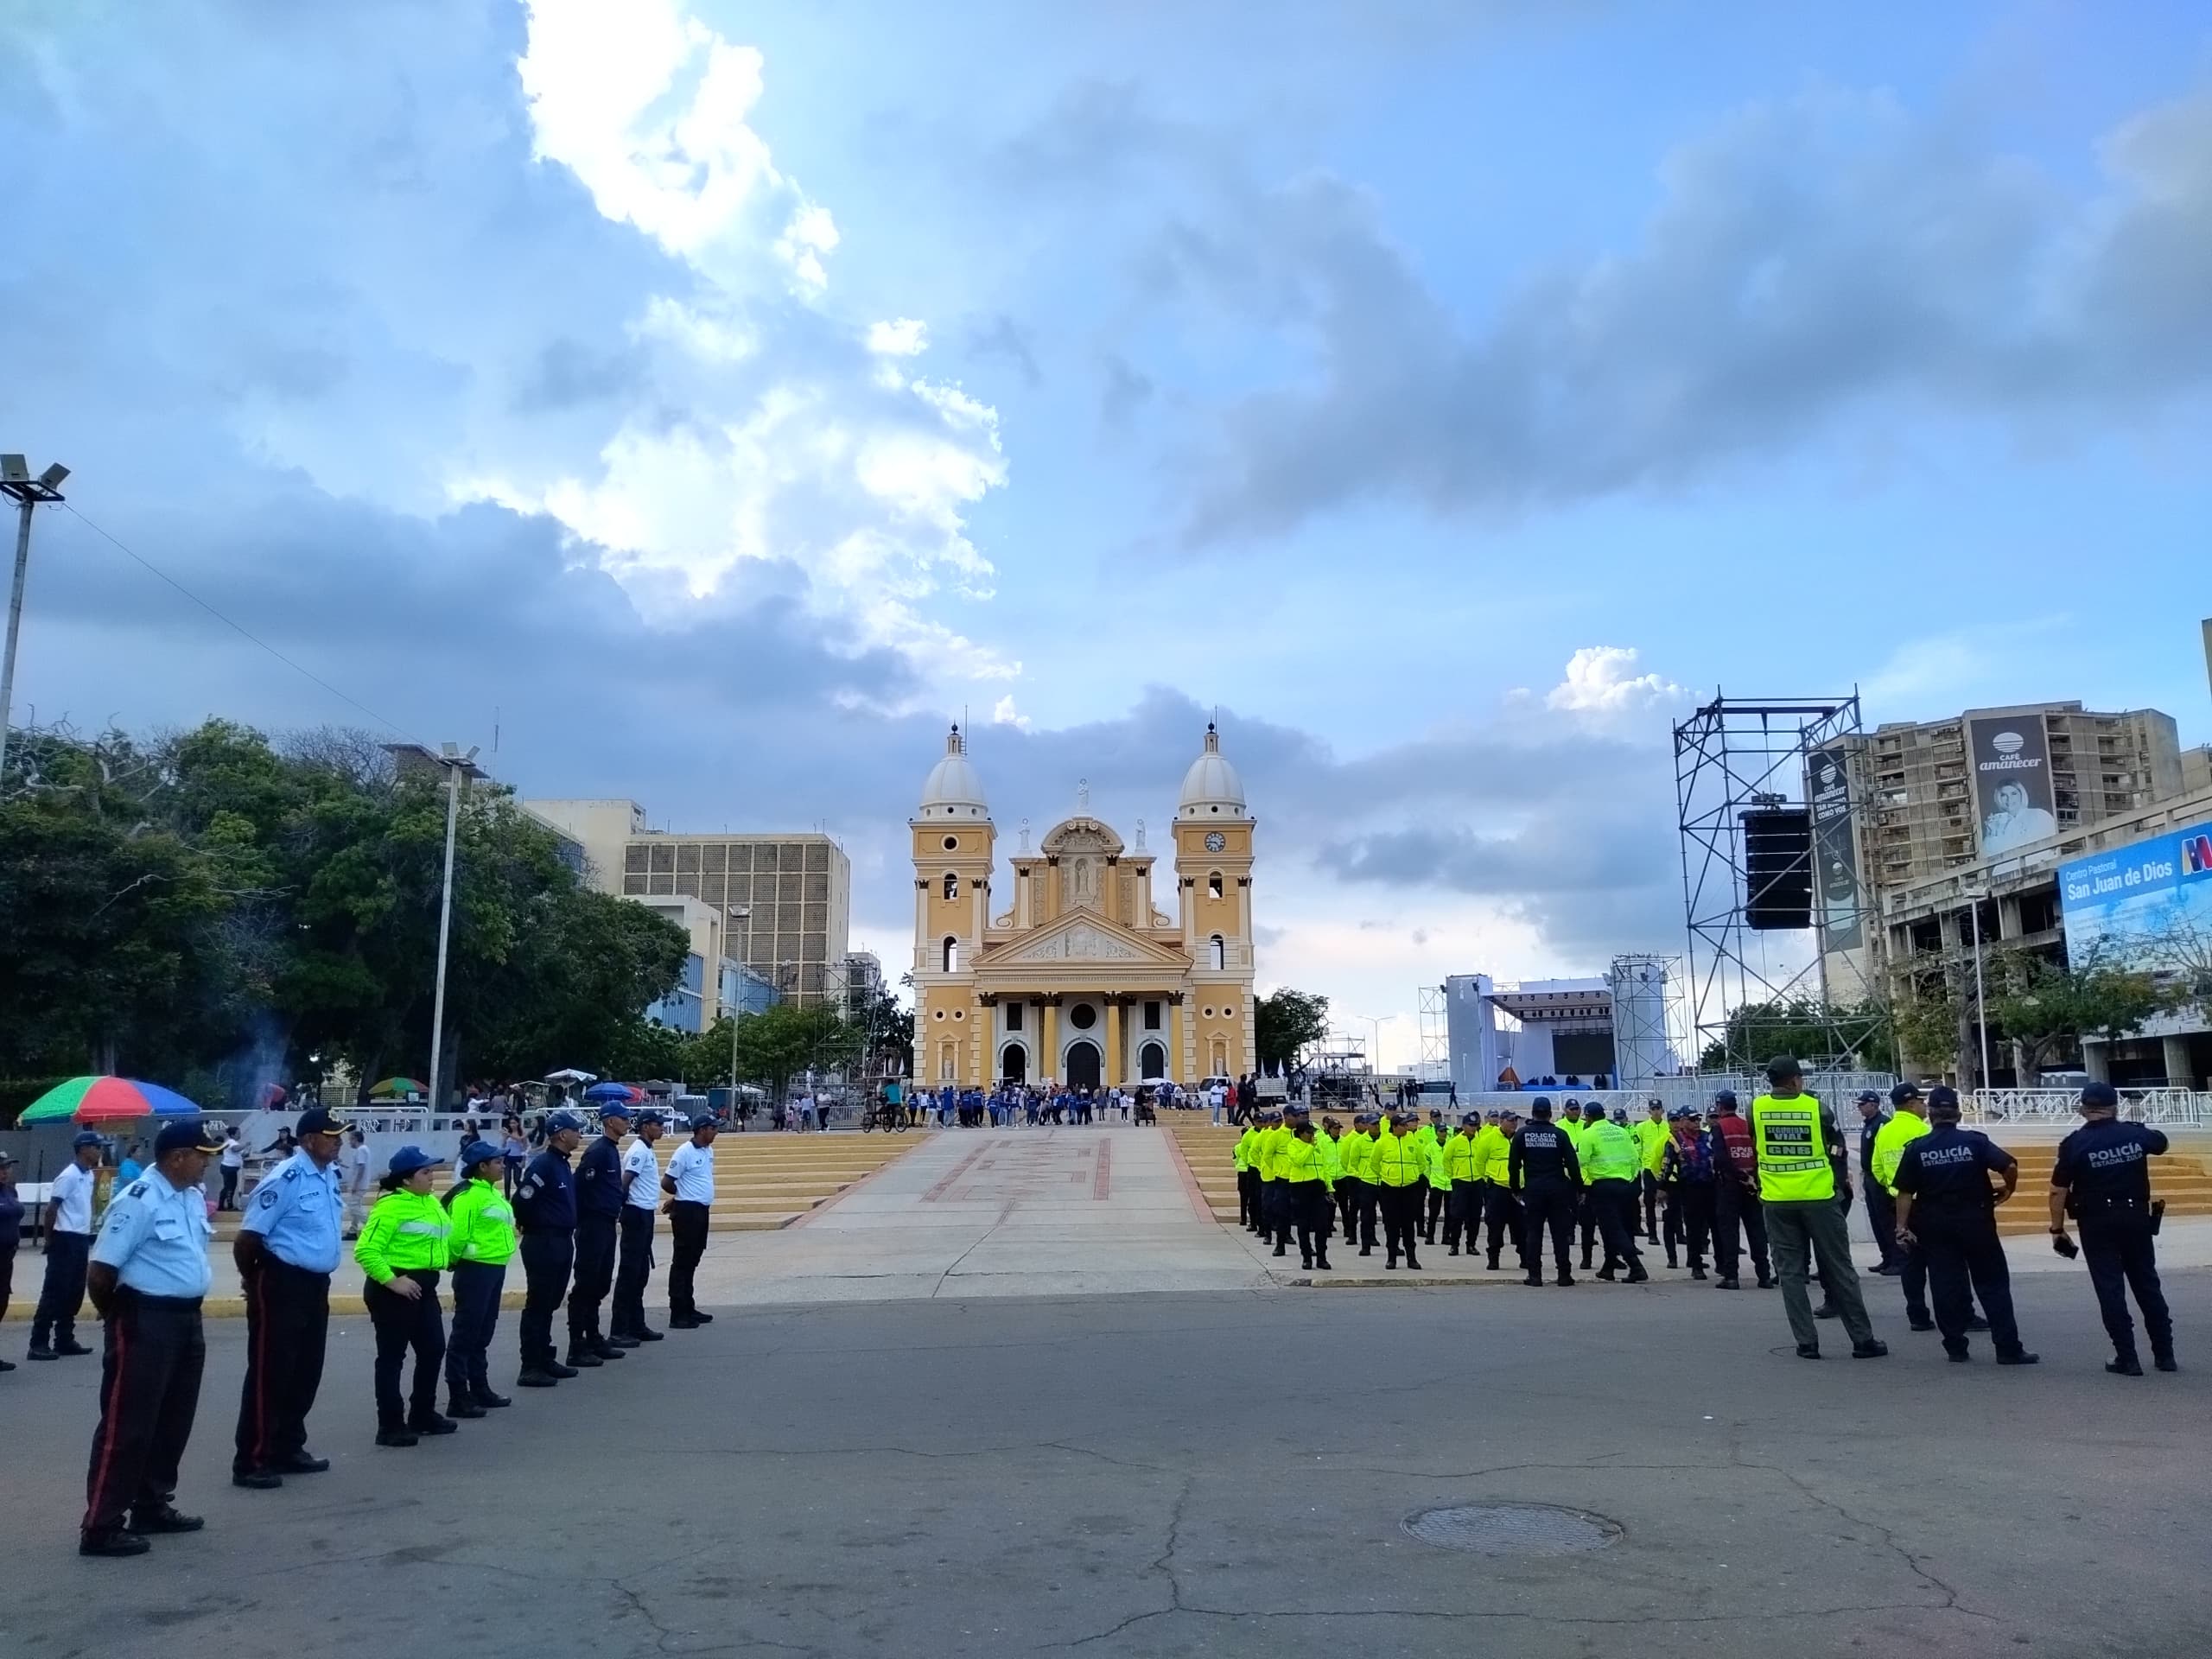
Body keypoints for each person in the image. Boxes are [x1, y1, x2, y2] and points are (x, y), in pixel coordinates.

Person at [77, 1118, 226, 1557]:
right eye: (202, 1157)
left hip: (185, 1319)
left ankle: (152, 1504)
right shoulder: (138, 1200)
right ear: (177, 1158)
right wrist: (118, 1320)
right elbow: (101, 1272)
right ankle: (101, 1525)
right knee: (128, 1426)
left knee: (172, 1421)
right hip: (146, 1319)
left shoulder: (190, 1198)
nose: (207, 1165)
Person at [231, 1106, 347, 1491]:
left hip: (315, 1284)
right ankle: (252, 1458)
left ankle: (287, 1445)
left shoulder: (329, 1175)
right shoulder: (287, 1177)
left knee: (305, 1370)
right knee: (271, 1372)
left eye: (339, 1135)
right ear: (309, 1140)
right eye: (331, 1136)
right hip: (282, 1282)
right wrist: (255, 1283)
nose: (338, 1141)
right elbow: (248, 1239)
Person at [1751, 1058, 1885, 1361]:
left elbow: (1756, 1143)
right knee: (1839, 1268)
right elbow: (1837, 1147)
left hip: (1777, 1200)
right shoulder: (1816, 1108)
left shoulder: (1756, 1109)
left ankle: (1806, 1343)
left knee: (1790, 1274)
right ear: (1795, 1081)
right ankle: (1862, 1341)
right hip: (1820, 1199)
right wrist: (1840, 1182)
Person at [1892, 1090, 2037, 1365]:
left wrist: (1901, 1227)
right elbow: (2009, 1165)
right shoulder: (1975, 1142)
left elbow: (1905, 1192)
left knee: (1945, 1285)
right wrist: (2008, 1189)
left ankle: (1956, 1347)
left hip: (1936, 1226)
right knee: (1993, 1284)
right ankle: (2007, 1348)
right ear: (1958, 1114)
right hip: (1977, 1221)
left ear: (1931, 1115)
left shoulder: (1917, 1148)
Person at [2050, 1082, 2176, 1376]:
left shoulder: (2074, 1144)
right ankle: (2165, 1355)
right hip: (2135, 1218)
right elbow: (2162, 1143)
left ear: (2082, 1109)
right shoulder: (2134, 1134)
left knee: (2110, 1289)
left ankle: (2127, 1358)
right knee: (2147, 1284)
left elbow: (2058, 1190)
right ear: (2115, 1107)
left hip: (2096, 1222)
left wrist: (2057, 1229)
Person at [354, 1147, 455, 1446]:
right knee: (392, 1358)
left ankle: (422, 1414)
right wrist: (391, 1281)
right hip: (394, 1289)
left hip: (424, 1286)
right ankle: (390, 1424)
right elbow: (366, 1250)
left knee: (433, 1349)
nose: (432, 1176)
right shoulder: (391, 1207)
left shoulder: (429, 1203)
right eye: (425, 1172)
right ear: (406, 1180)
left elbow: (434, 1240)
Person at [442, 1139, 517, 1418]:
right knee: (466, 1332)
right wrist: (453, 1262)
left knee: (483, 1332)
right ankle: (458, 1396)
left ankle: (480, 1387)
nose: (502, 1166)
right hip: (475, 1270)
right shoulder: (469, 1197)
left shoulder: (492, 1193)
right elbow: (457, 1236)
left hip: (494, 1268)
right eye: (497, 1162)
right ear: (481, 1167)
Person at [512, 1109, 585, 1389]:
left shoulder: (562, 1163)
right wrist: (535, 1225)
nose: (579, 1134)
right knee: (539, 1303)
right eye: (575, 1130)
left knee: (551, 1302)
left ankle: (545, 1356)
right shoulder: (543, 1165)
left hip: (562, 1240)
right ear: (561, 1134)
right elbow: (523, 1201)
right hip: (543, 1241)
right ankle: (530, 1365)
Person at [29, 1130, 105, 1361]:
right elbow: (52, 1210)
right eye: (96, 1147)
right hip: (65, 1239)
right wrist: (49, 1240)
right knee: (54, 1292)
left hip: (80, 1238)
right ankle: (38, 1342)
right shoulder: (69, 1176)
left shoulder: (89, 1175)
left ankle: (64, 1338)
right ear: (84, 1149)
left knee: (74, 1291)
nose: (100, 1151)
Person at [1871, 1084, 1940, 1332]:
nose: (1924, 1107)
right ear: (1912, 1104)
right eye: (1922, 1102)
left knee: (1911, 1263)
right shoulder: (1923, 1130)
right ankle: (1959, 1312)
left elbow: (1876, 1169)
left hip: (1896, 1205)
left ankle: (1917, 1315)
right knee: (1942, 1260)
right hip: (1925, 1204)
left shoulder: (1884, 1131)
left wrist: (1892, 1187)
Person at [568, 1103, 630, 1370]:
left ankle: (593, 1336)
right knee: (586, 1282)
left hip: (606, 1222)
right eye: (624, 1118)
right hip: (592, 1223)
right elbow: (580, 1186)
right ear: (610, 1121)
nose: (628, 1122)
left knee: (601, 1282)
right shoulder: (598, 1152)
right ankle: (577, 1344)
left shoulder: (611, 1150)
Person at [1509, 1098, 1581, 1287]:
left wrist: (1516, 1189)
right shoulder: (1560, 1134)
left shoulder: (1522, 1135)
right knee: (1560, 1233)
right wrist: (1579, 1189)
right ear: (1550, 1114)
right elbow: (1573, 1165)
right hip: (1558, 1189)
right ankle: (1564, 1275)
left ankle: (1535, 1276)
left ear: (1532, 1114)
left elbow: (1514, 1166)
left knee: (1533, 1233)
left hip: (1533, 1189)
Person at [1707, 1090, 1773, 1291]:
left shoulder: (1720, 1128)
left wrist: (1739, 1176)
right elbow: (1758, 1150)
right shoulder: (1747, 1125)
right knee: (1756, 1230)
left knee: (1729, 1232)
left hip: (1729, 1186)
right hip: (1752, 1184)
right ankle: (1764, 1276)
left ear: (1720, 1107)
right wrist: (1750, 1176)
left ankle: (1731, 1277)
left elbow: (1720, 1159)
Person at [1577, 1104, 1648, 1282]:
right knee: (1616, 1227)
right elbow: (1634, 1158)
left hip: (1602, 1187)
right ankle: (1608, 1268)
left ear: (1588, 1117)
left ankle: (1636, 1265)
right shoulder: (1621, 1131)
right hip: (1625, 1185)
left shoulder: (1588, 1134)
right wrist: (1630, 1179)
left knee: (1613, 1229)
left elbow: (1582, 1160)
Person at [613, 1108, 666, 1344]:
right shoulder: (638, 1151)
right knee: (630, 1272)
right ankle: (620, 1329)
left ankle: (636, 1323)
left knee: (641, 1272)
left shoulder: (647, 1149)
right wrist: (620, 1210)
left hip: (645, 1213)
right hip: (635, 1213)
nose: (662, 1128)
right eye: (658, 1124)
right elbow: (625, 1183)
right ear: (645, 1126)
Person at [664, 1113, 718, 1329]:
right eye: (713, 1128)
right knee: (682, 1261)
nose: (716, 1132)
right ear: (702, 1129)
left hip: (701, 1210)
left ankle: (688, 1305)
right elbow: (667, 1181)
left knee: (693, 1259)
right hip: (687, 1211)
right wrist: (680, 1196)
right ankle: (677, 1312)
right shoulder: (684, 1152)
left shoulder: (708, 1150)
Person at [1659, 1108, 1714, 1279]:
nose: (1696, 1123)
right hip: (1687, 1188)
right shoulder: (1675, 1140)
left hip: (1710, 1187)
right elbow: (1666, 1164)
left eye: (1698, 1119)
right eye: (1692, 1120)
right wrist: (1661, 1187)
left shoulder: (1707, 1137)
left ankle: (1723, 1263)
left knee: (1715, 1226)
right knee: (1692, 1228)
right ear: (1683, 1121)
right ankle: (1695, 1264)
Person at [1856, 1090, 1906, 1275]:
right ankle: (1887, 1258)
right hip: (1870, 1177)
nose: (1859, 1108)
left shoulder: (1883, 1123)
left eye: (1862, 1104)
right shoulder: (1869, 1124)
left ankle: (1897, 1260)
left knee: (1887, 1221)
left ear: (1874, 1105)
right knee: (1876, 1220)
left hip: (1880, 1180)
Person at [1369, 1111, 1425, 1270]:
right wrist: (1387, 1175)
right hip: (1390, 1188)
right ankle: (1391, 1257)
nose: (1406, 1127)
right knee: (1391, 1225)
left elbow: (1421, 1164)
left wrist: (1412, 1176)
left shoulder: (1413, 1142)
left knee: (1408, 1224)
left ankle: (1411, 1258)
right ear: (1394, 1127)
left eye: (1407, 1124)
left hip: (1410, 1187)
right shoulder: (1382, 1142)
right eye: (1403, 1125)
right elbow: (1374, 1163)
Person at [1279, 1119, 1334, 1271]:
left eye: (1313, 1133)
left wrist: (1329, 1188)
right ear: (1301, 1133)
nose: (1312, 1136)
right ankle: (1307, 1258)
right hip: (1301, 1186)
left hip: (1317, 1187)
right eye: (1309, 1133)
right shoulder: (1293, 1145)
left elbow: (1324, 1168)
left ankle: (1322, 1258)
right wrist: (1310, 1147)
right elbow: (1298, 1162)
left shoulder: (1317, 1147)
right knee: (1303, 1225)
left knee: (1321, 1225)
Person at [1478, 1109, 1521, 1272]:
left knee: (1522, 1225)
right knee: (1495, 1225)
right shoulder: (1488, 1139)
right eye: (1510, 1121)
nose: (1514, 1123)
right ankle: (1493, 1258)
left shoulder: (1519, 1138)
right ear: (1501, 1121)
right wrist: (1489, 1178)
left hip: (1518, 1189)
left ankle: (1525, 1257)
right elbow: (1479, 1162)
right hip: (1497, 1188)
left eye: (1515, 1120)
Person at [1441, 1115, 1484, 1258]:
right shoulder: (1455, 1142)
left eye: (1475, 1125)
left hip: (1477, 1181)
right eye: (1471, 1125)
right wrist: (1452, 1176)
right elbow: (1446, 1160)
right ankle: (1454, 1245)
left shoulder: (1481, 1141)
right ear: (1464, 1126)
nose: (1473, 1128)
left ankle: (1471, 1244)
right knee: (1457, 1215)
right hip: (1460, 1181)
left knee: (1475, 1216)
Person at [1633, 1101, 1669, 1244]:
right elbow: (1637, 1147)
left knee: (1671, 1203)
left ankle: (1677, 1233)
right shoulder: (1641, 1127)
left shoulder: (1667, 1126)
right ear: (1649, 1111)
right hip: (1649, 1169)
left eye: (1658, 1109)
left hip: (1667, 1169)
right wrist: (1640, 1166)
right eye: (1653, 1109)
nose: (1655, 1111)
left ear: (1662, 1110)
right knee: (1649, 1203)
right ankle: (1652, 1234)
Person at [0, 1150, 20, 1374]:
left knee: (2, 1303)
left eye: (7, 1167)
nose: (5, 1172)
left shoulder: (10, 1191)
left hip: (7, 1257)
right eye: (1, 1168)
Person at [340, 1128, 372, 1239]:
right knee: (356, 1207)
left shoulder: (361, 1150)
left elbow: (361, 1168)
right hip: (360, 1184)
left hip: (359, 1185)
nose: (349, 1142)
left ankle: (371, 1226)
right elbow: (355, 1167)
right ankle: (353, 1231)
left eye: (350, 1140)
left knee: (353, 1207)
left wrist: (354, 1185)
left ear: (355, 1139)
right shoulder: (364, 1150)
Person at [500, 1116, 528, 1198]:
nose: (512, 1125)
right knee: (507, 1179)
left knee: (517, 1180)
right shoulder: (508, 1133)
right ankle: (507, 1197)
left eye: (514, 1123)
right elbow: (503, 1146)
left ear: (518, 1123)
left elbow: (524, 1147)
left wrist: (523, 1161)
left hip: (518, 1157)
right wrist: (505, 1138)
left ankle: (523, 1194)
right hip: (508, 1157)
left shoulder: (521, 1133)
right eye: (511, 1123)